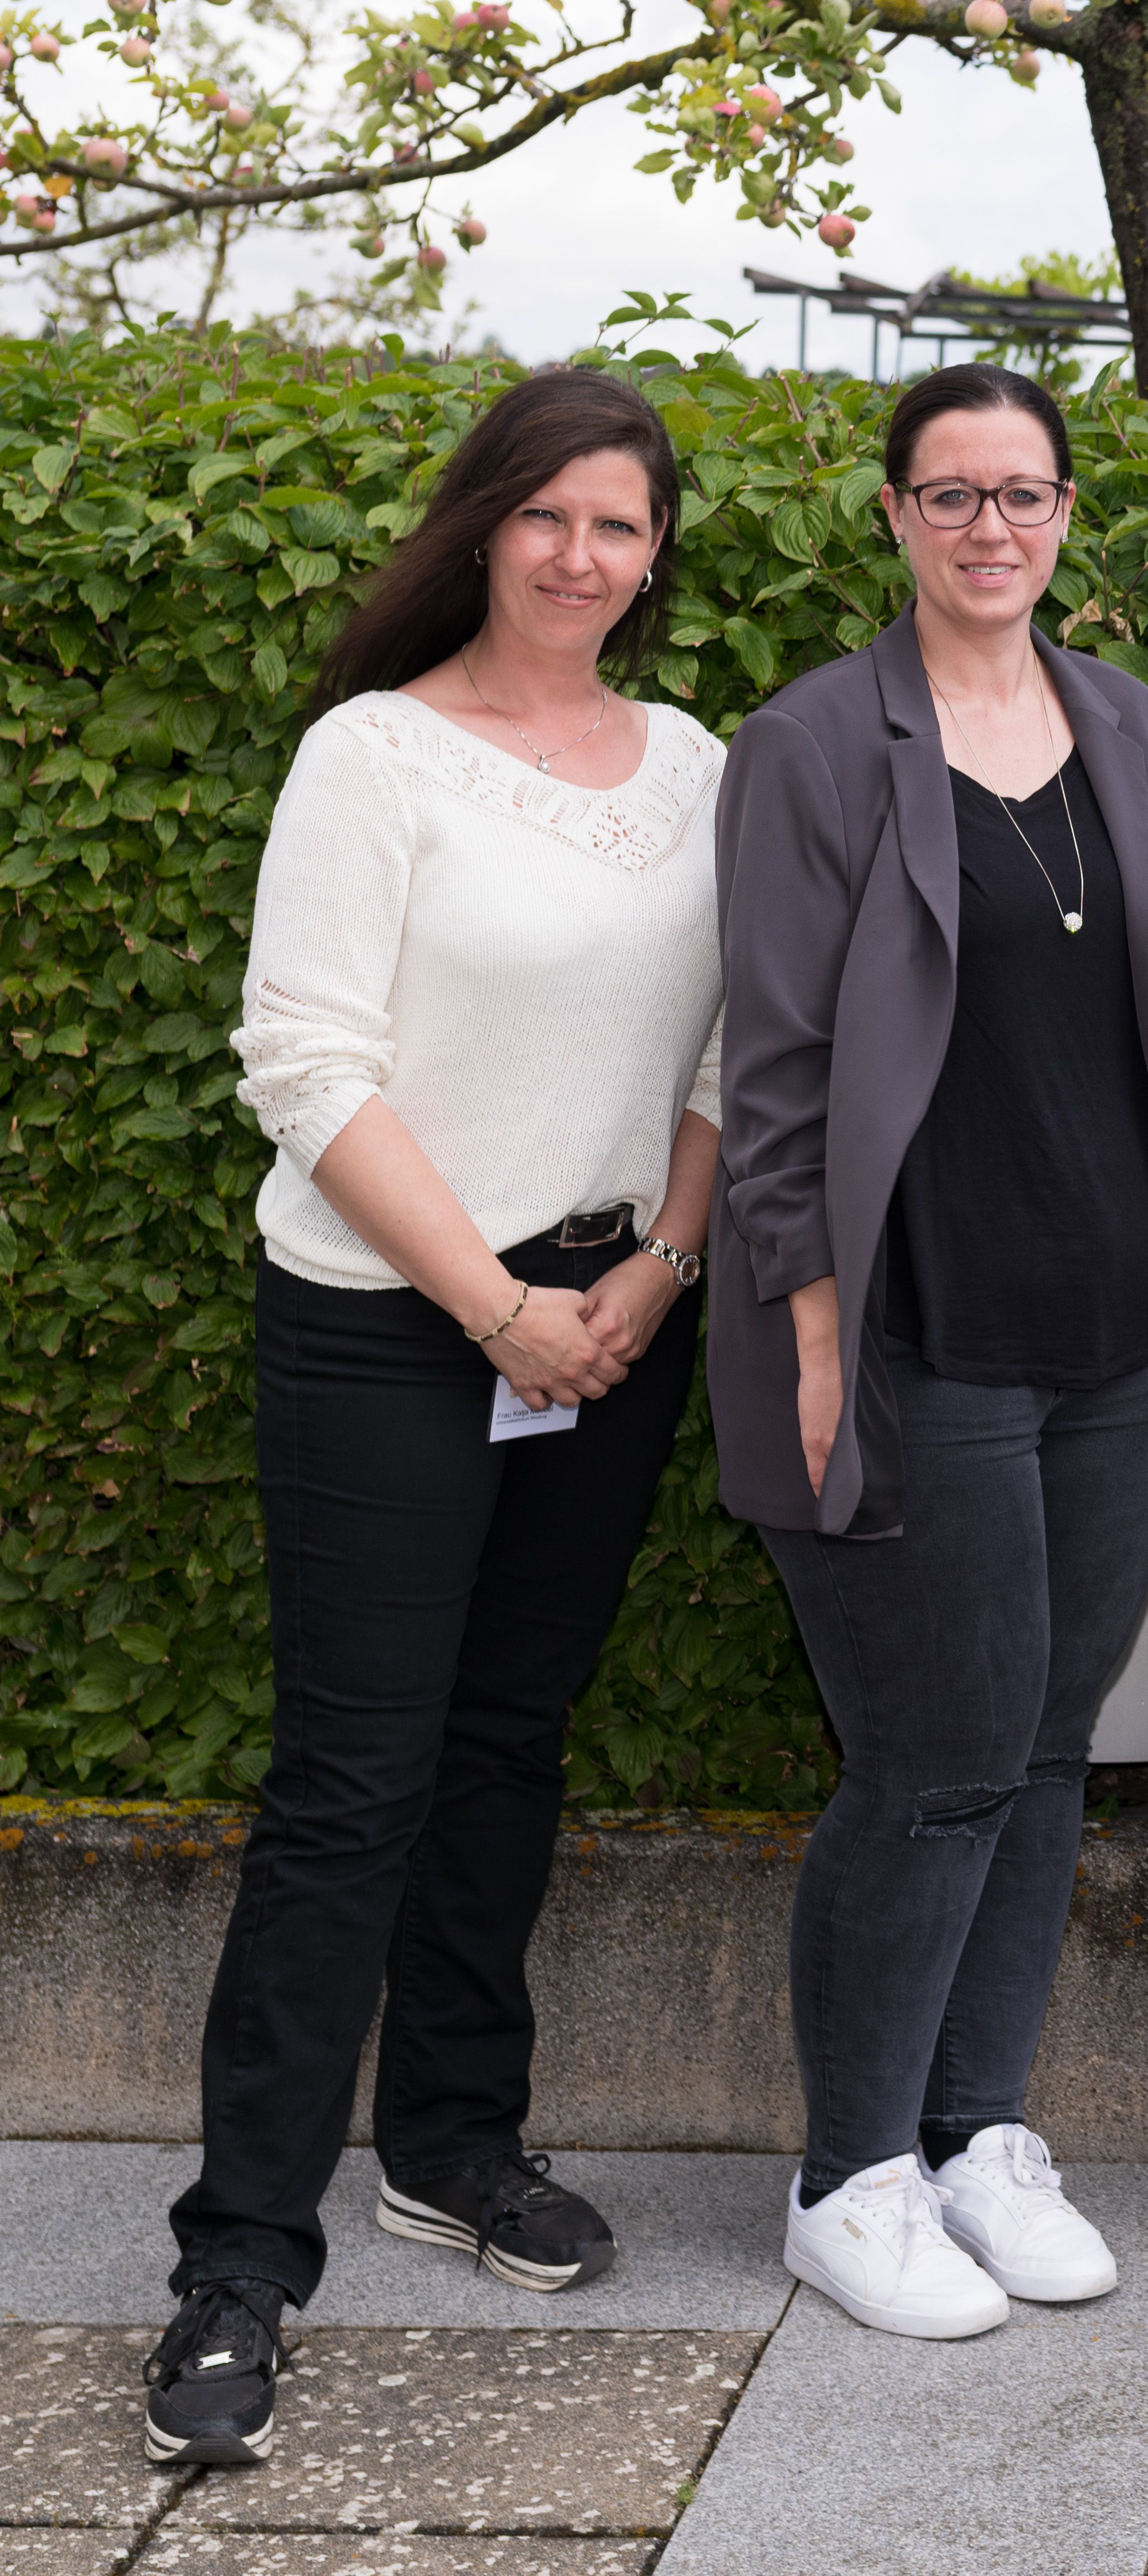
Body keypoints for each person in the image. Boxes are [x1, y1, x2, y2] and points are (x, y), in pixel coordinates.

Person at [152, 368, 725, 2466]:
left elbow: (732, 1065)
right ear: (485, 525)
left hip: (610, 1331)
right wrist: (496, 1307)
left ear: (658, 560)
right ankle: (237, 2261)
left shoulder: (696, 767)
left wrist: (647, 1279)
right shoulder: (373, 757)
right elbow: (303, 1063)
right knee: (353, 1786)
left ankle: (456, 2141)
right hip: (394, 1327)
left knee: (507, 1748)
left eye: (623, 528)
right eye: (551, 517)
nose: (585, 556)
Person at [712, 363, 1148, 2341]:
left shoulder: (1133, 728)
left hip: (1114, 1345)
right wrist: (821, 1334)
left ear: (1066, 516)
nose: (989, 528)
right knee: (930, 1760)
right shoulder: (818, 745)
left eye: (1023, 495)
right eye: (950, 496)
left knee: (1047, 1752)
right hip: (915, 1334)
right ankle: (848, 2178)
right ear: (897, 519)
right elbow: (772, 1068)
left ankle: (976, 2132)